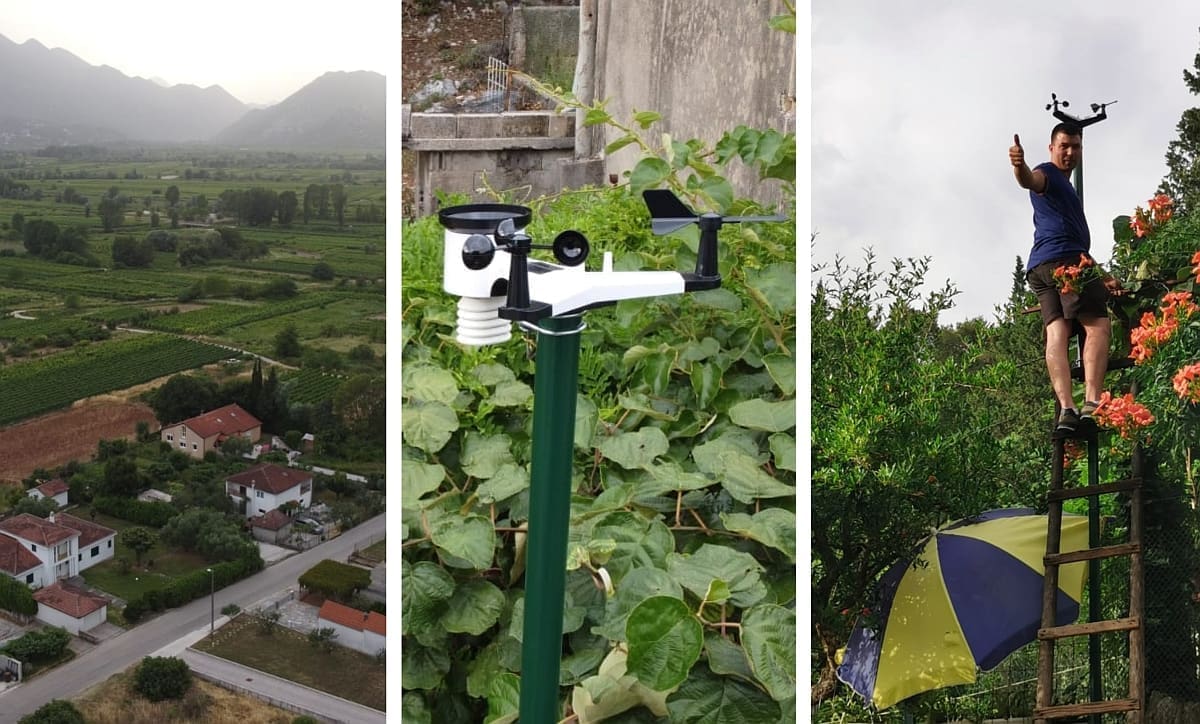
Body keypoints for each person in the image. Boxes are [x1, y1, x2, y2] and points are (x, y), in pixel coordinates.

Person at [1009, 123, 1121, 433]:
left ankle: (1066, 411)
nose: (1070, 152)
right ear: (1051, 148)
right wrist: (1020, 167)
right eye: (1064, 146)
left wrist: (1103, 275)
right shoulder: (1048, 174)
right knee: (1097, 325)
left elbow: (1073, 242)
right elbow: (1031, 181)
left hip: (1040, 267)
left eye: (1076, 147)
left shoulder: (1065, 189)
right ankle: (1092, 402)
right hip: (1064, 262)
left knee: (1057, 332)